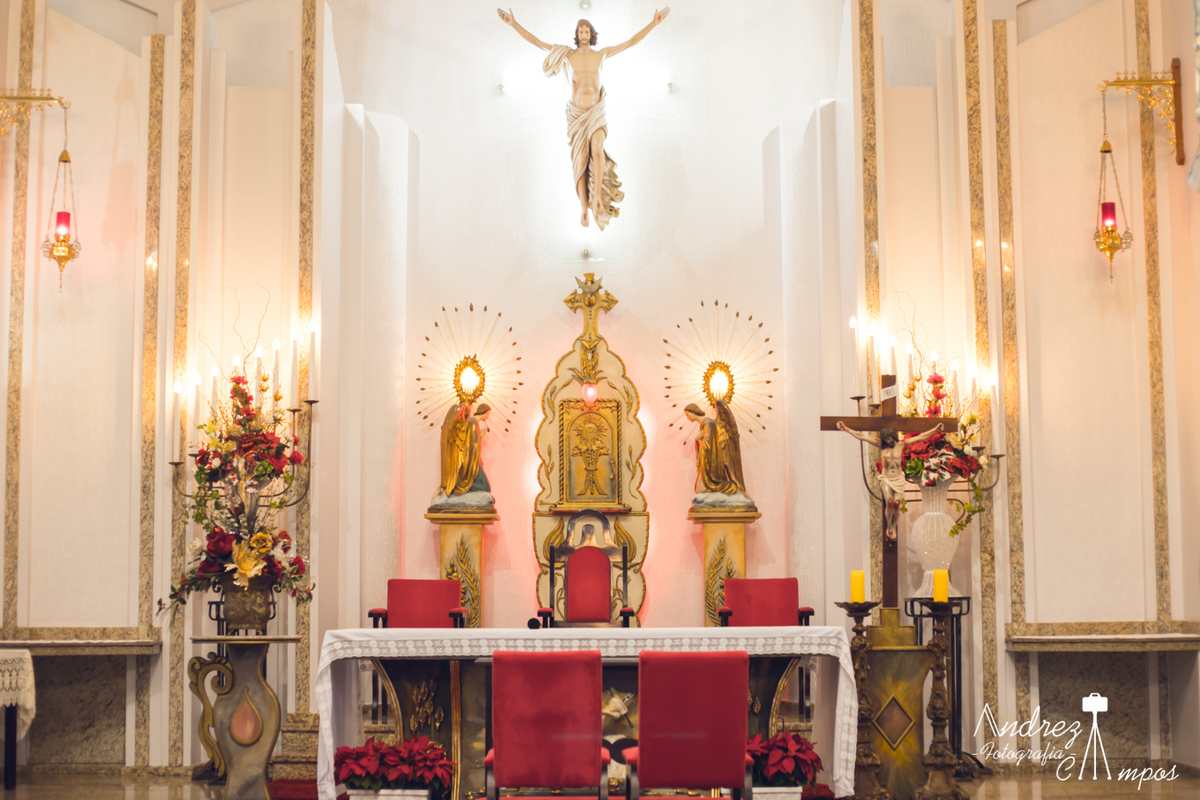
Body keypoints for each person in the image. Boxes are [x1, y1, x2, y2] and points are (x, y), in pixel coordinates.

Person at [497, 8, 670, 229]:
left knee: (597, 150)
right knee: (579, 162)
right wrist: (513, 23)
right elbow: (537, 42)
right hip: (577, 115)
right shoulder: (567, 55)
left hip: (596, 112)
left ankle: (597, 196)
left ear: (592, 34)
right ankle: (583, 207)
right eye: (580, 30)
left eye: (587, 30)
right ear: (577, 35)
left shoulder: (601, 55)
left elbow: (631, 42)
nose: (584, 33)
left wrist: (653, 23)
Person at [836, 422, 943, 544]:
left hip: (898, 479)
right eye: (885, 438)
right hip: (886, 479)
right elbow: (862, 437)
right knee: (890, 502)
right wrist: (845, 428)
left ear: (893, 436)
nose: (887, 440)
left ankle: (894, 526)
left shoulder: (901, 444)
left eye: (889, 438)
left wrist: (935, 429)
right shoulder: (880, 444)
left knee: (897, 504)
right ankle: (889, 528)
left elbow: (920, 437)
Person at [684, 401, 747, 497]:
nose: (687, 418)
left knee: (700, 490)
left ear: (693, 412)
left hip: (712, 468)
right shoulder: (704, 425)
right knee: (699, 490)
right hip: (706, 467)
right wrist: (697, 441)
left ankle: (732, 487)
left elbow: (709, 446)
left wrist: (699, 441)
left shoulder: (708, 424)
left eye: (687, 415)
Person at [438, 402, 492, 497]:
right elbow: (471, 445)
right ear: (485, 412)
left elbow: (471, 441)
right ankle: (463, 490)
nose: (488, 417)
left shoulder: (473, 423)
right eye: (488, 414)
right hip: (471, 462)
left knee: (484, 488)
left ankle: (465, 492)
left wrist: (481, 435)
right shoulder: (472, 423)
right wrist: (477, 460)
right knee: (485, 487)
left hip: (473, 461)